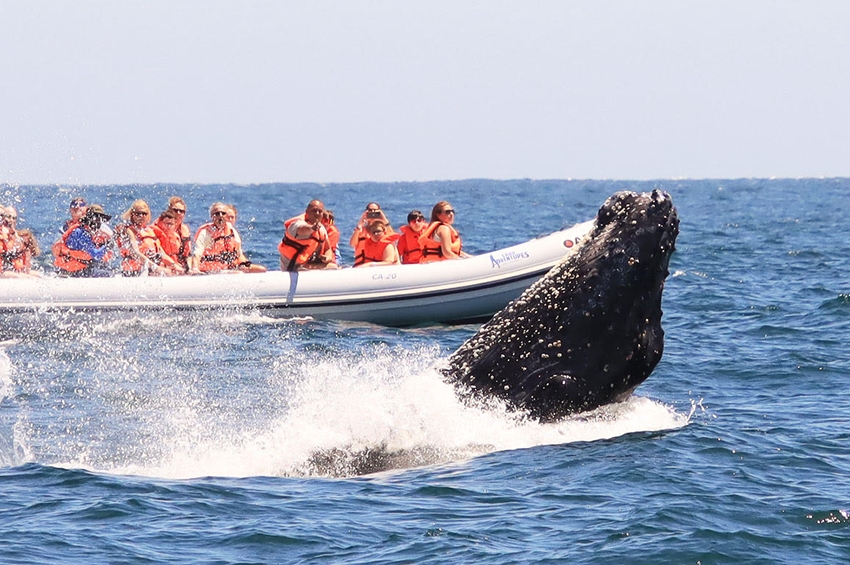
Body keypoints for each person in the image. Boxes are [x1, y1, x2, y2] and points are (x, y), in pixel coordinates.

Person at [115, 200, 177, 276]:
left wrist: (175, 265)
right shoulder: (129, 231)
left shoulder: (149, 231)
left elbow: (161, 254)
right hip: (133, 273)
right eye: (138, 213)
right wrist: (157, 268)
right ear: (132, 215)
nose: (141, 216)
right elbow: (135, 253)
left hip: (149, 271)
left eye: (144, 213)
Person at [53, 204, 114, 277]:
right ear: (90, 219)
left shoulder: (83, 230)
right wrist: (107, 246)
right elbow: (95, 254)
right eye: (97, 220)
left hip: (71, 268)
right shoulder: (82, 233)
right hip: (71, 270)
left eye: (101, 220)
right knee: (107, 274)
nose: (100, 223)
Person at [278, 199, 337, 271]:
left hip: (307, 264)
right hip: (292, 268)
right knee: (332, 267)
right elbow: (302, 230)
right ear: (307, 212)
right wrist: (312, 228)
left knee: (333, 266)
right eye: (314, 211)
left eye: (320, 211)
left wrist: (328, 257)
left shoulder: (321, 229)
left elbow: (327, 248)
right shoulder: (296, 225)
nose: (317, 213)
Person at [189, 202, 244, 274]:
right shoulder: (205, 233)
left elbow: (239, 254)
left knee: (260, 269)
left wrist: (245, 265)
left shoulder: (232, 231)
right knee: (238, 273)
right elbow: (197, 253)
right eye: (217, 213)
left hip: (227, 269)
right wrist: (195, 269)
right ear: (212, 216)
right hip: (208, 271)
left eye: (223, 213)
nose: (220, 216)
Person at [151, 196, 191, 270]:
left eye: (181, 211)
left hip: (178, 266)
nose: (178, 213)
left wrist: (190, 268)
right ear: (169, 210)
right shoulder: (156, 228)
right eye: (175, 210)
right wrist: (174, 265)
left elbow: (187, 255)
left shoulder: (184, 230)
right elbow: (159, 252)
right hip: (161, 267)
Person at [223, 204, 267, 273]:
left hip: (235, 265)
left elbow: (239, 253)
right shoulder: (216, 232)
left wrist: (244, 264)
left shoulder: (234, 233)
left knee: (261, 269)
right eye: (228, 217)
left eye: (232, 217)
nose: (230, 220)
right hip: (221, 267)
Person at [0, 206, 32, 277]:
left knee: (38, 276)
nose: (11, 220)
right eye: (8, 217)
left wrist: (13, 233)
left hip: (12, 269)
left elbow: (20, 248)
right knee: (21, 277)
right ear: (2, 218)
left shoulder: (14, 235)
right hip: (3, 271)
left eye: (14, 218)